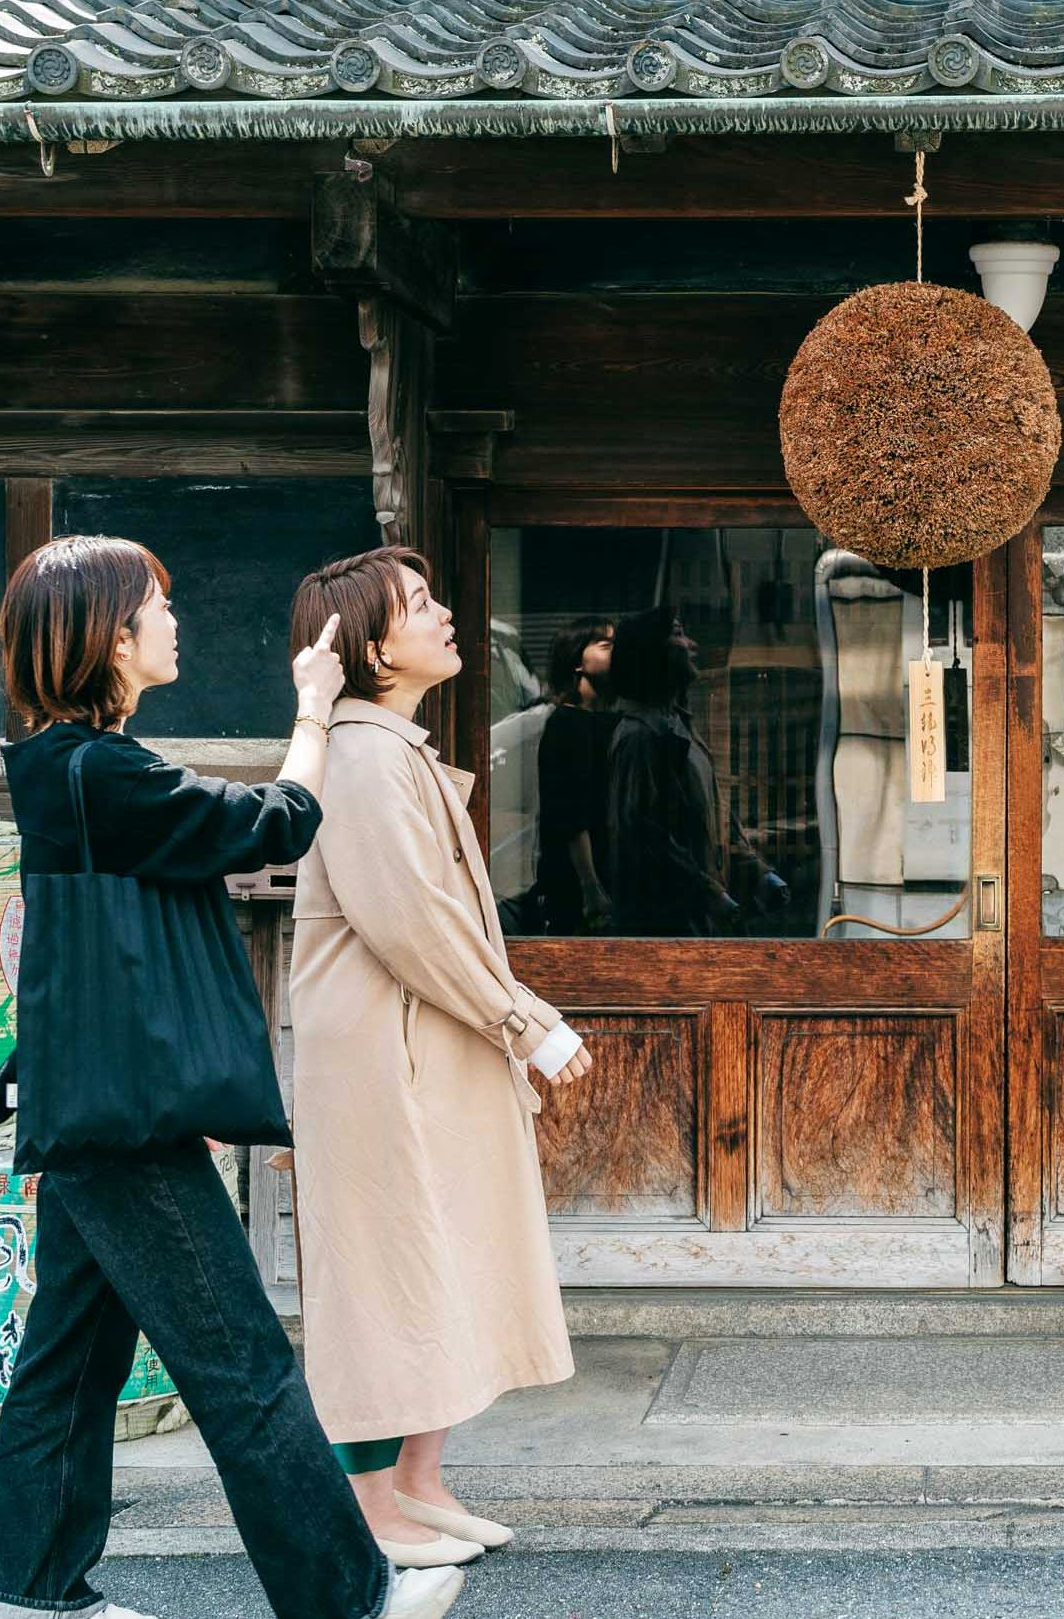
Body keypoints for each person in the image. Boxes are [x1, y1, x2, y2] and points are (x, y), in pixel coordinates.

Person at [0, 535, 459, 1619]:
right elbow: (274, 823)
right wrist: (311, 709)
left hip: (96, 1103)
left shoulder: (70, 768)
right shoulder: (104, 772)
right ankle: (350, 1600)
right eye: (157, 604)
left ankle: (28, 1595)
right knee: (243, 1366)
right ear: (107, 635)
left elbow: (80, 951)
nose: (172, 620)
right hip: (126, 1124)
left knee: (68, 1364)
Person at [287, 547, 591, 1566]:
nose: (447, 612)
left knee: (444, 1255)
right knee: (386, 1268)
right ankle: (370, 1506)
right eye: (421, 604)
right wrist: (526, 1022)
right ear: (374, 645)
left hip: (421, 1044)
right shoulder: (364, 757)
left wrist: (516, 1013)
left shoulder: (388, 747)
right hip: (388, 1055)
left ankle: (417, 1483)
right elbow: (410, 923)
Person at [598, 607, 732, 936]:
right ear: (651, 652)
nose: (691, 644)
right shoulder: (640, 736)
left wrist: (756, 872)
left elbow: (711, 809)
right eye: (677, 633)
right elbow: (643, 836)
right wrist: (709, 894)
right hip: (664, 927)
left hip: (692, 919)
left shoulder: (677, 725)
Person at [527, 618, 618, 934]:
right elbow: (571, 815)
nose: (616, 653)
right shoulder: (566, 725)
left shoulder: (604, 720)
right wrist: (591, 886)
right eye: (606, 646)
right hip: (577, 881)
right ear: (577, 660)